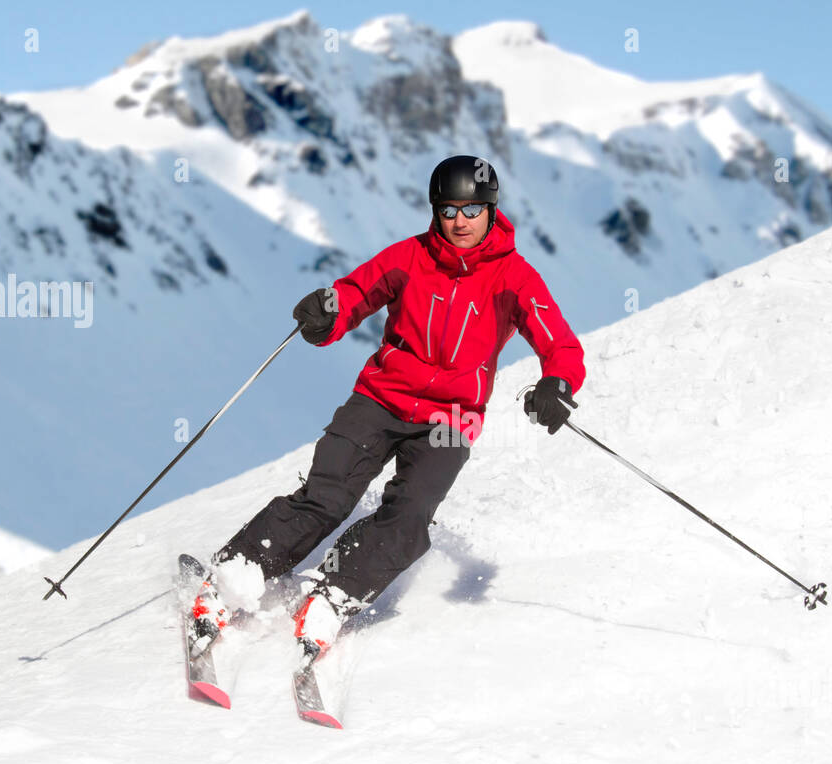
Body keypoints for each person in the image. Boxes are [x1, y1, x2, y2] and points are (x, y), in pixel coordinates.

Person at [210, 155, 586, 652]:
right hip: (380, 398)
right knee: (326, 497)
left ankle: (333, 595)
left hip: (450, 419)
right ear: (435, 211)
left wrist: (557, 384)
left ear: (492, 211)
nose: (460, 221)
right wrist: (328, 312)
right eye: (449, 210)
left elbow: (559, 343)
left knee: (411, 515)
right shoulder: (410, 257)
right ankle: (235, 577)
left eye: (472, 209)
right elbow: (356, 292)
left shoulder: (514, 277)